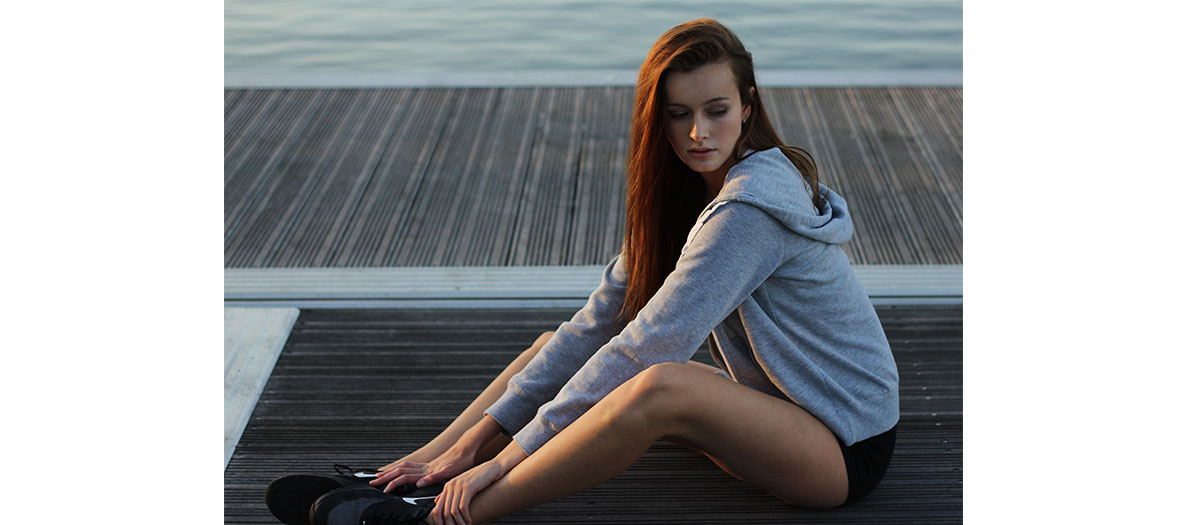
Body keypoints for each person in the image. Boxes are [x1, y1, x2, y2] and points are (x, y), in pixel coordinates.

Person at [365, 18, 900, 525]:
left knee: (660, 383)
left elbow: (652, 342)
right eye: (678, 113)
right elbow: (602, 322)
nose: (698, 133)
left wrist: (505, 459)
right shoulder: (688, 191)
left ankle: (446, 514)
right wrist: (472, 443)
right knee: (555, 346)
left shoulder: (748, 210)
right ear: (657, 116)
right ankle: (407, 474)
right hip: (774, 407)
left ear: (747, 106)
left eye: (716, 110)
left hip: (843, 445)